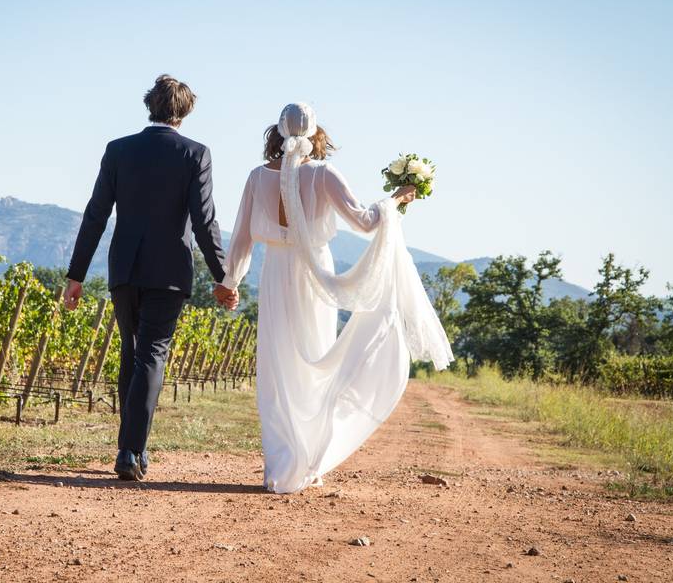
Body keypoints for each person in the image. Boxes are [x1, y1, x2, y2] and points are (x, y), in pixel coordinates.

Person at [219, 102, 453, 493]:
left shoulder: (256, 176)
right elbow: (365, 221)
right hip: (315, 278)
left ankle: (282, 466)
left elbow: (241, 234)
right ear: (315, 133)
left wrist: (231, 280)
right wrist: (397, 199)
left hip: (275, 274)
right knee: (314, 363)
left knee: (279, 369)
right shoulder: (324, 174)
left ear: (276, 133)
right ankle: (309, 461)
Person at [64, 75, 238, 481]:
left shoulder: (119, 150)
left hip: (123, 269)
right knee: (151, 354)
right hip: (169, 272)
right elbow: (204, 221)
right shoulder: (195, 153)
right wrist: (223, 276)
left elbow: (96, 214)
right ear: (186, 111)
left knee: (133, 352)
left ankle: (131, 448)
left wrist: (76, 274)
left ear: (150, 105)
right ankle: (130, 451)